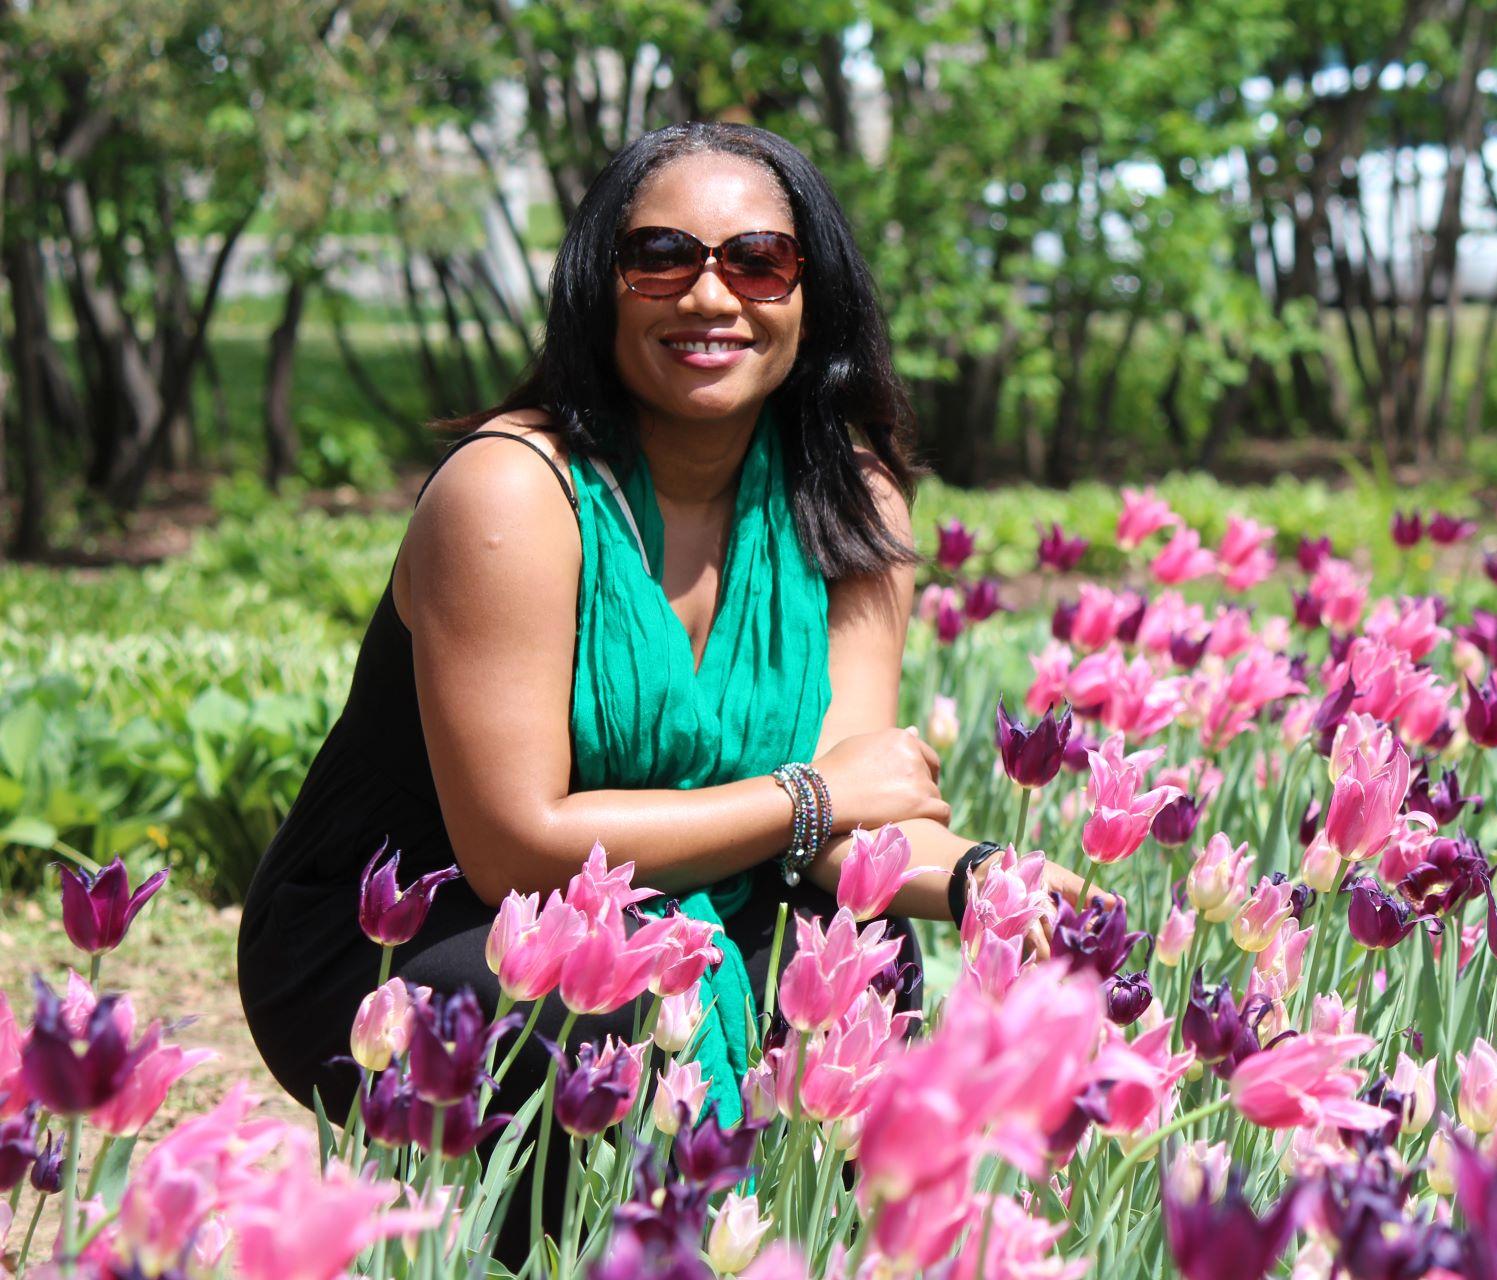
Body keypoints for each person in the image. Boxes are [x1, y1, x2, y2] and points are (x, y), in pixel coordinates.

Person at [234, 121, 1091, 1265]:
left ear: (809, 292)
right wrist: (808, 798)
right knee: (614, 1013)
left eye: (756, 261)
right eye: (662, 258)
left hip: (690, 898)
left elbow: (859, 821)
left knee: (862, 962)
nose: (710, 295)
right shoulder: (511, 493)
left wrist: (986, 879)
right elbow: (516, 847)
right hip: (417, 931)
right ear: (603, 286)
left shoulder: (851, 498)